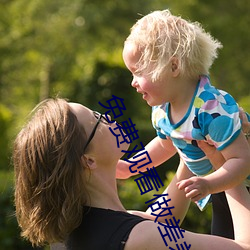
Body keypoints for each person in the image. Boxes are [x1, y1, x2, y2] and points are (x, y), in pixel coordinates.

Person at [13, 98, 250, 250]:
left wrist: (190, 136)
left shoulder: (77, 232)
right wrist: (226, 165)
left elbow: (164, 221)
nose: (109, 118)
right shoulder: (138, 238)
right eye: (97, 119)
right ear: (88, 160)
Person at [119, 9, 250, 239]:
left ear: (173, 67)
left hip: (239, 186)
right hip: (220, 189)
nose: (132, 83)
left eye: (138, 72)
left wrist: (209, 184)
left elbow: (242, 160)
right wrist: (132, 167)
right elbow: (166, 145)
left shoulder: (210, 109)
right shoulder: (162, 110)